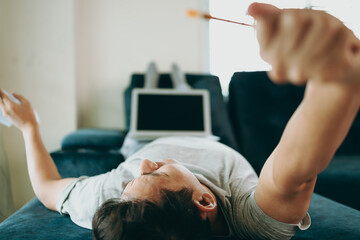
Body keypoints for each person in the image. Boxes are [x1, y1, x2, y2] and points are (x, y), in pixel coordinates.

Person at [1, 3, 360, 240]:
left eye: (132, 180)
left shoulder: (111, 197)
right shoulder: (249, 218)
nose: (141, 168)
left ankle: (159, 76)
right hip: (206, 138)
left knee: (152, 99)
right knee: (188, 97)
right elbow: (296, 169)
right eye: (152, 175)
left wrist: (29, 126)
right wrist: (338, 77)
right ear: (206, 201)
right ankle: (176, 80)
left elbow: (47, 186)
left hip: (143, 138)